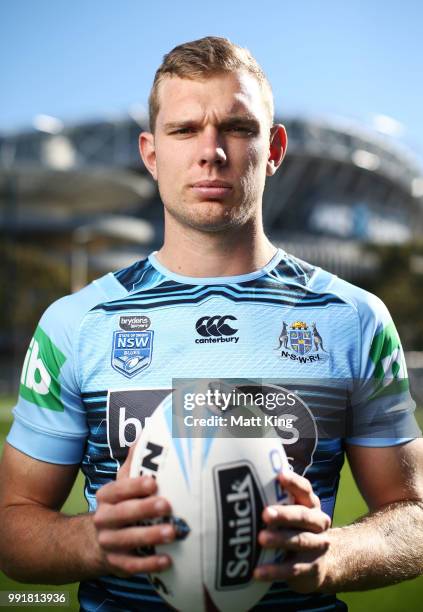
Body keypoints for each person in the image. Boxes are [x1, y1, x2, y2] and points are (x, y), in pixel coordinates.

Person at [0, 36, 422, 612]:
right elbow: (12, 524)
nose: (211, 152)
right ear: (151, 153)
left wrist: (333, 555)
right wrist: (90, 542)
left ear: (273, 148)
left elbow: (414, 515)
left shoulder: (353, 318)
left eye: (238, 128)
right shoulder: (78, 322)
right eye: (184, 130)